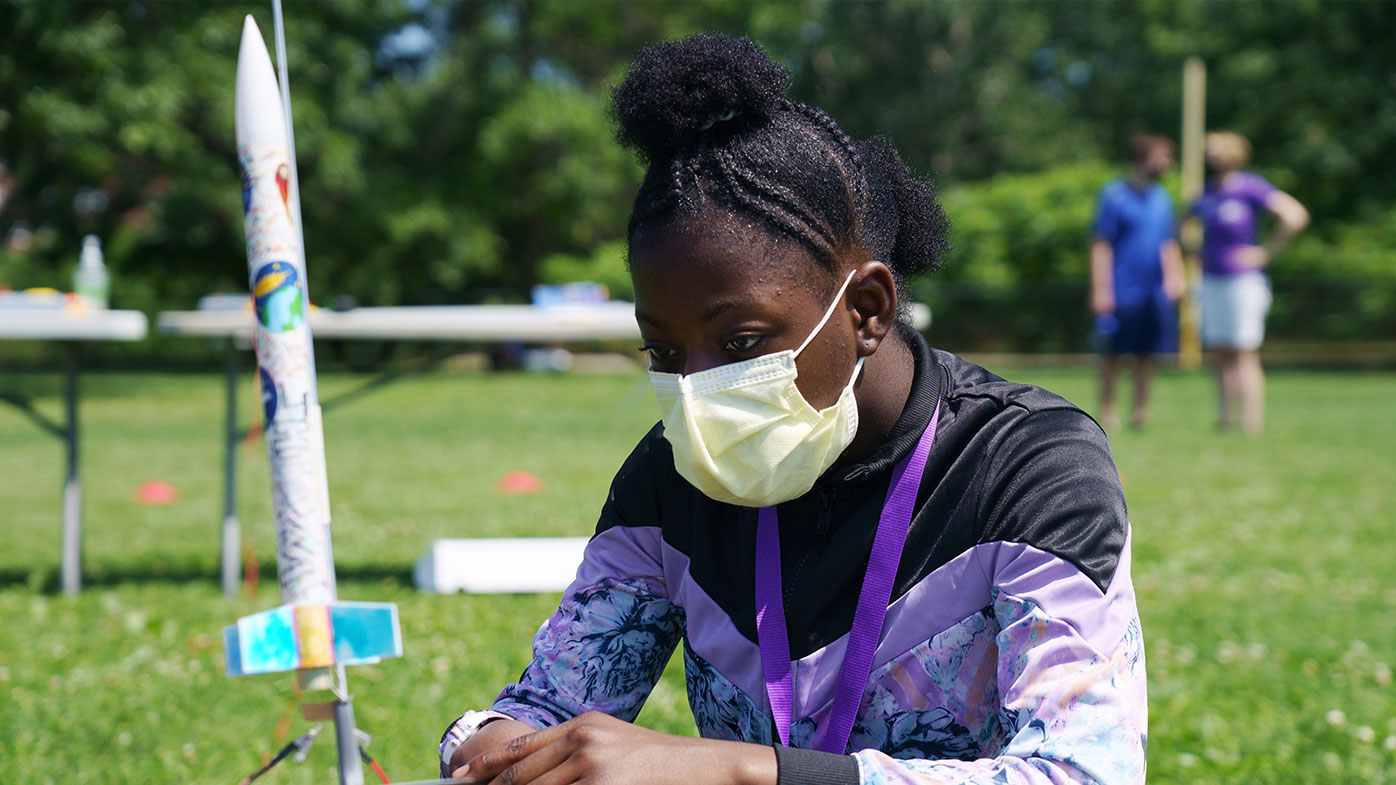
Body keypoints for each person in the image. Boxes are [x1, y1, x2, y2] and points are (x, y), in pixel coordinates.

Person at [440, 34, 1146, 785]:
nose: (696, 388)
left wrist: (749, 771)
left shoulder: (1029, 467)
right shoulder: (671, 473)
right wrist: (489, 743)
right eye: (664, 352)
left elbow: (1083, 772)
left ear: (867, 309)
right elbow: (545, 707)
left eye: (741, 340)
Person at [1189, 131, 1308, 435]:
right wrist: (1192, 250)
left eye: (1215, 150)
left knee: (1244, 350)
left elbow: (1295, 215)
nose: (1210, 156)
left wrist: (1267, 251)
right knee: (1219, 351)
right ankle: (1225, 417)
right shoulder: (1208, 192)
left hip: (1242, 282)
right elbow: (1181, 220)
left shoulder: (1251, 187)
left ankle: (1252, 421)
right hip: (1211, 280)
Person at [1089, 135, 1185, 430]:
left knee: (1147, 355)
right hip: (1121, 290)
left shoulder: (1162, 197)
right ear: (1143, 157)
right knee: (1112, 356)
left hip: (1153, 293)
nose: (1167, 162)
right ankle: (1108, 412)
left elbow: (1168, 242)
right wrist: (1100, 289)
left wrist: (1175, 277)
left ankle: (1141, 413)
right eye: (1163, 155)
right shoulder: (1114, 194)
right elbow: (1101, 244)